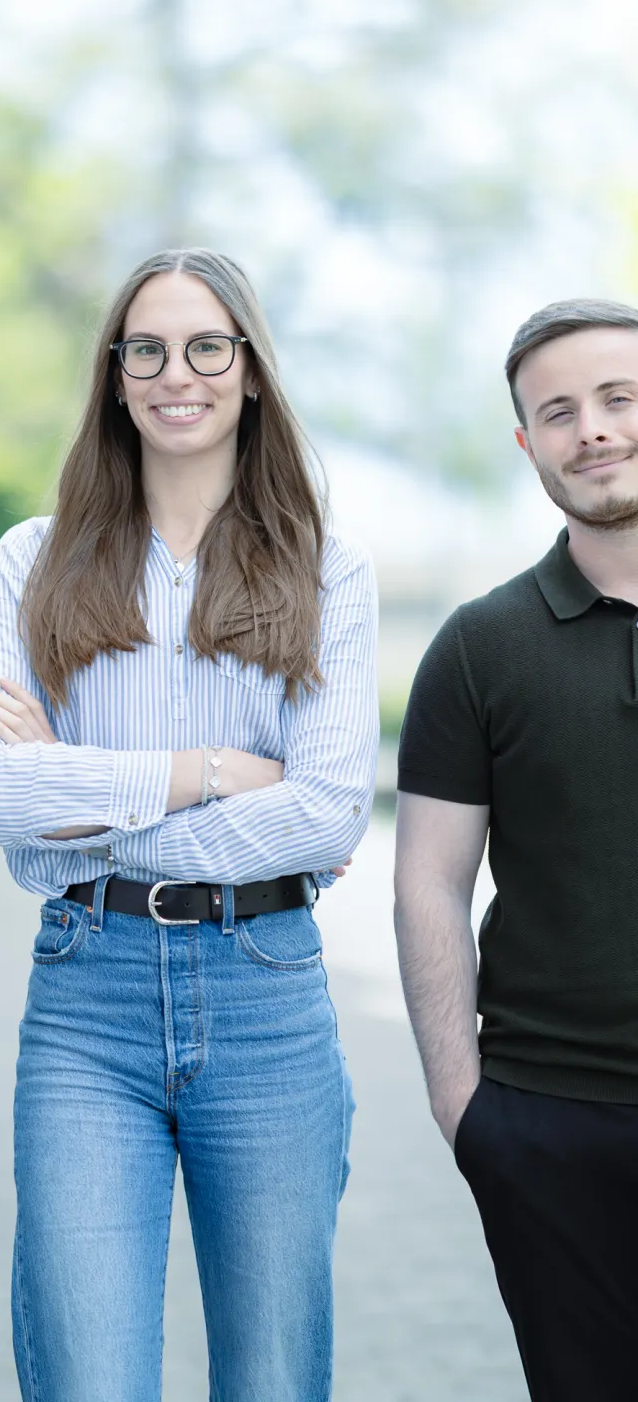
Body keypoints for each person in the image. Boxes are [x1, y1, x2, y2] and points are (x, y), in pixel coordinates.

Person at [0, 247, 379, 1401]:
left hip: (266, 991)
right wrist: (209, 774)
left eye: (204, 347)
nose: (173, 373)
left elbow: (329, 810)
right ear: (115, 372)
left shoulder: (326, 572)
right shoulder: (33, 563)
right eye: (146, 347)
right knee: (88, 1376)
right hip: (91, 997)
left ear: (247, 371)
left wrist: (76, 795)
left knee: (274, 1377)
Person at [394, 299, 638, 1401]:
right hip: (549, 1120)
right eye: (559, 411)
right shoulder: (479, 646)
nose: (593, 429)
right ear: (527, 442)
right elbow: (429, 884)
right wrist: (466, 1108)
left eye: (618, 398)